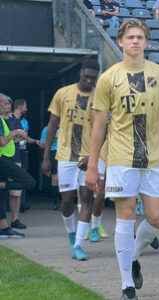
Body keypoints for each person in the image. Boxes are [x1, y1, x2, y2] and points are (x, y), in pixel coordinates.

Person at [85, 19, 159, 300]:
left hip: (155, 158)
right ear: (121, 41)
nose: (135, 41)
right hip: (121, 158)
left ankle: (133, 257)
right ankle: (127, 286)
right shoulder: (109, 78)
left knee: (158, 217)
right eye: (130, 37)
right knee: (125, 216)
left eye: (140, 37)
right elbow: (98, 125)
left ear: (146, 42)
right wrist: (92, 165)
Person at [41, 59, 100, 262]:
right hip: (65, 156)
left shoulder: (100, 97)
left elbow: (104, 132)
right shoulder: (63, 93)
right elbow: (52, 125)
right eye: (86, 77)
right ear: (80, 73)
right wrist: (46, 156)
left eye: (93, 78)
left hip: (88, 157)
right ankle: (72, 234)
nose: (89, 81)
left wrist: (93, 157)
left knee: (87, 199)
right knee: (67, 202)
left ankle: (79, 245)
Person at [0, 93, 36, 239]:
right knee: (30, 182)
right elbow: (2, 142)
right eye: (6, 103)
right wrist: (15, 132)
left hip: (5, 158)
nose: (8, 106)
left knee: (1, 195)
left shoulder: (4, 120)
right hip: (2, 160)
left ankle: (3, 228)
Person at [7, 99, 39, 229]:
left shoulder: (19, 121)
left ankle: (15, 219)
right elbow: (9, 138)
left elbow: (22, 138)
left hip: (18, 157)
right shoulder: (6, 121)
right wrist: (17, 135)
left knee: (17, 190)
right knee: (6, 189)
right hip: (7, 158)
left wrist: (36, 141)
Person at [40, 125, 60, 210]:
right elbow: (42, 144)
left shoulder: (66, 127)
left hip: (67, 154)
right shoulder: (46, 129)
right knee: (55, 178)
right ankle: (56, 202)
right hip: (53, 152)